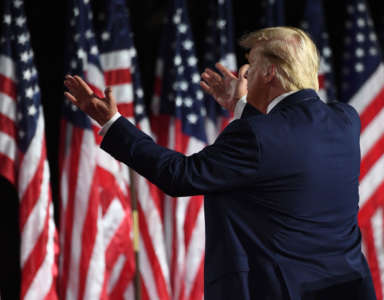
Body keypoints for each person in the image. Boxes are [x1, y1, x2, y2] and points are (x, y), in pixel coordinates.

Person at [64, 26, 376, 300]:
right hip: (347, 287)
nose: (245, 74)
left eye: (251, 66)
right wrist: (241, 104)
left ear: (270, 73)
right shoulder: (344, 120)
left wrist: (112, 123)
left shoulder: (255, 135)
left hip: (277, 291)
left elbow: (180, 176)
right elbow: (282, 143)